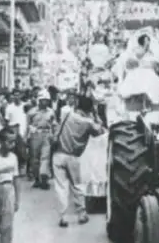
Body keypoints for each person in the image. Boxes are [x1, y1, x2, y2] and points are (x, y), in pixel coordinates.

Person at [52, 95, 105, 227]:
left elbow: (56, 130)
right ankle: (81, 214)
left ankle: (62, 217)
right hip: (74, 157)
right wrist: (96, 115)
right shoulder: (88, 123)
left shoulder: (67, 116)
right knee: (77, 186)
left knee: (61, 187)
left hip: (58, 154)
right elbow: (101, 131)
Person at [26, 89, 56, 189]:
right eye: (43, 100)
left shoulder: (51, 112)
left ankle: (44, 178)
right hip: (35, 135)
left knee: (45, 157)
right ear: (39, 100)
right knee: (34, 159)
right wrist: (26, 137)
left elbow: (54, 124)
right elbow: (27, 126)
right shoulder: (31, 112)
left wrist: (54, 135)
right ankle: (37, 179)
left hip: (46, 135)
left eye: (47, 100)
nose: (45, 102)